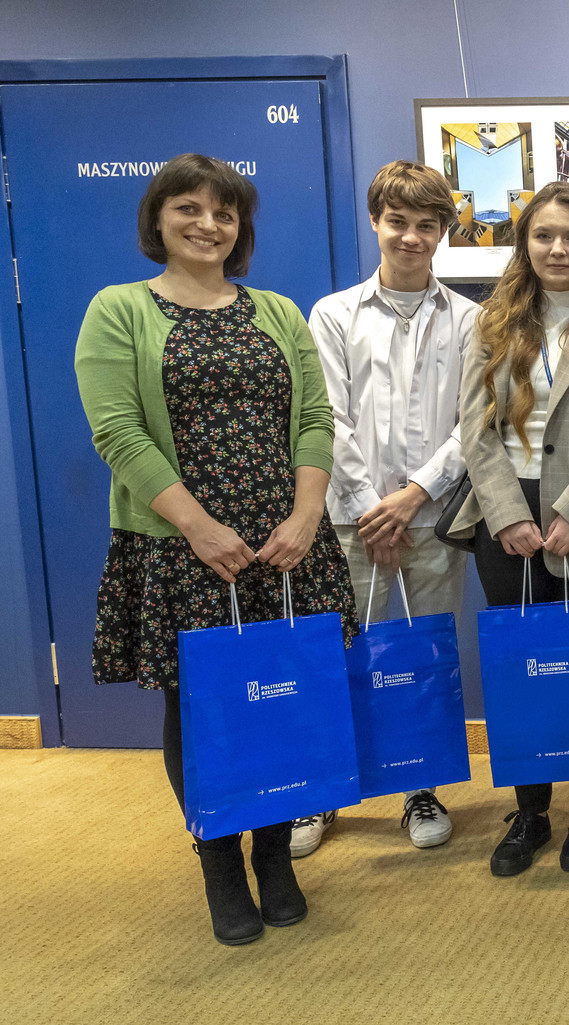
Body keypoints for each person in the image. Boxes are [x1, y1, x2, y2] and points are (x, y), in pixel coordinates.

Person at [75, 154, 356, 945]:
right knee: (201, 710)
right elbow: (118, 432)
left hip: (283, 545)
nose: (208, 224)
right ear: (157, 218)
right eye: (188, 208)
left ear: (241, 229)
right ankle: (220, 860)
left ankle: (274, 852)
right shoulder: (119, 310)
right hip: (182, 547)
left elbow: (315, 420)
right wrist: (198, 526)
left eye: (224, 213)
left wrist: (306, 516)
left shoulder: (277, 311)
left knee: (285, 699)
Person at [448, 182, 569, 876]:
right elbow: (474, 430)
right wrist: (507, 513)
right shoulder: (492, 322)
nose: (558, 249)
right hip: (507, 521)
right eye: (543, 235)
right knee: (522, 673)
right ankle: (529, 812)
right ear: (524, 244)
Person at [297, 160, 480, 858]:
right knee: (340, 658)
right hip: (348, 523)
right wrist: (372, 508)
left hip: (432, 523)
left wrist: (413, 497)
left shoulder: (470, 319)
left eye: (426, 225)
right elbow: (326, 418)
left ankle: (420, 786)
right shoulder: (334, 314)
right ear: (375, 221)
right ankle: (325, 790)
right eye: (397, 221)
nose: (410, 237)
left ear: (443, 232)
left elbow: (473, 423)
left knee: (421, 659)